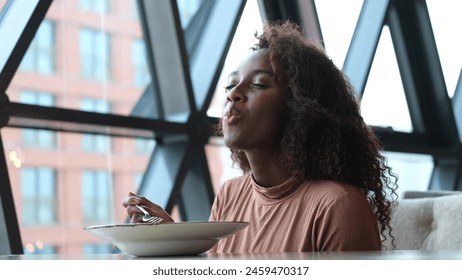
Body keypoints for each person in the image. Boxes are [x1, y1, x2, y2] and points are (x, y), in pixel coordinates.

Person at [122, 20, 398, 253]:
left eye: (258, 84)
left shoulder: (338, 206)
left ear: (301, 107)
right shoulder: (230, 194)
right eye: (231, 84)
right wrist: (174, 242)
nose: (232, 94)